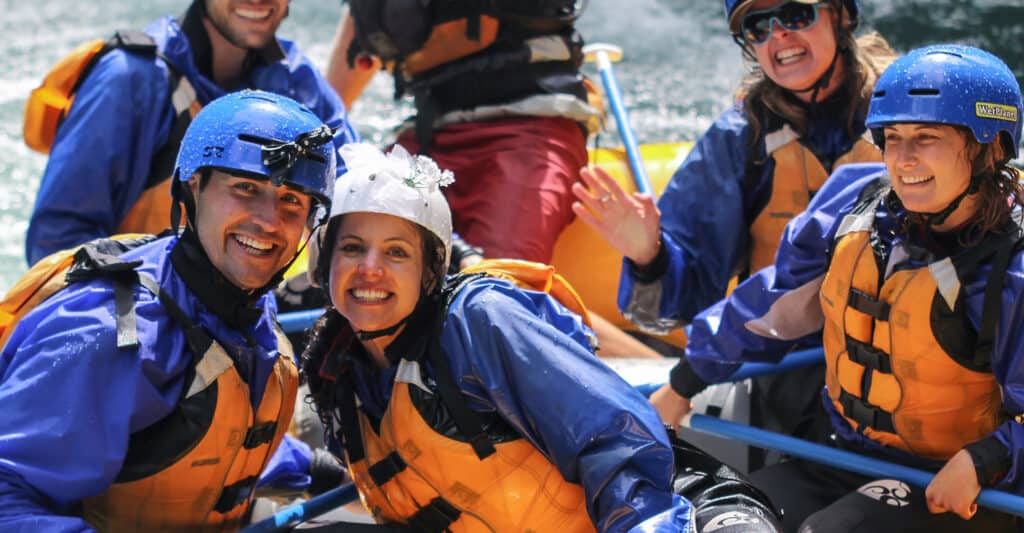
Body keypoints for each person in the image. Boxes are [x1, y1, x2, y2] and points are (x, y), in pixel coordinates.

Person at [298, 142, 783, 532]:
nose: (370, 270)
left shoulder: (477, 321)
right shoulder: (338, 373)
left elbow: (615, 441)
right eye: (353, 248)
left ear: (430, 272)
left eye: (397, 253)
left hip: (680, 513)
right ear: (325, 264)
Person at [657, 44, 1024, 531]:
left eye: (927, 137)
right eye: (892, 137)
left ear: (990, 147)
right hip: (841, 453)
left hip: (954, 485)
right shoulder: (855, 203)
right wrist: (684, 382)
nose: (904, 158)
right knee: (728, 520)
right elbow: (771, 302)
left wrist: (985, 459)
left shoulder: (1010, 270)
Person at [0, 91, 337, 531]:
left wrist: (316, 467)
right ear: (194, 187)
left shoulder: (244, 302)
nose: (269, 220)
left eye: (292, 200)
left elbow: (197, 437)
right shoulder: (106, 335)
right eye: (245, 188)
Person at [573, 0, 894, 433]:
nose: (778, 35)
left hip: (905, 357)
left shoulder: (908, 112)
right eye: (758, 26)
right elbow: (686, 302)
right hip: (786, 365)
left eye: (796, 14)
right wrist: (650, 257)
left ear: (838, 14)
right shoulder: (741, 138)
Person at [25, 0, 360, 266]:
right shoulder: (129, 78)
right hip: (138, 316)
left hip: (252, 313)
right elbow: (57, 239)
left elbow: (355, 201)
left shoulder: (298, 81)